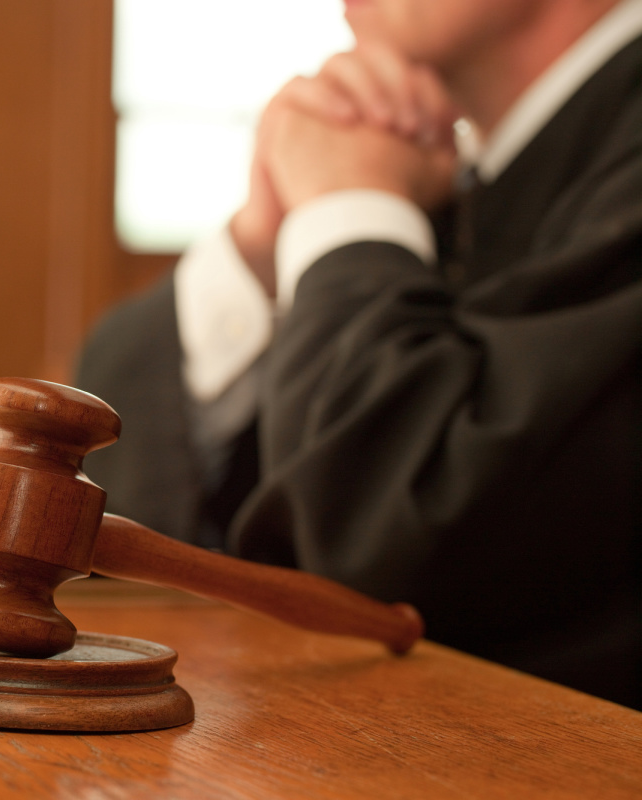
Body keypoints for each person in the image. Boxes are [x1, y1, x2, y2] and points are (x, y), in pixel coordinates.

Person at [78, 0, 642, 709]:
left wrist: (349, 206)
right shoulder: (452, 171)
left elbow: (387, 542)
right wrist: (263, 245)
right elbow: (96, 451)